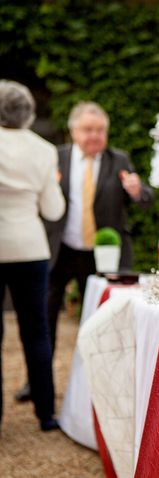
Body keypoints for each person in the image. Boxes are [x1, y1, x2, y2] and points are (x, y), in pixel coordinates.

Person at [15, 101, 154, 402]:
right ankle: (37, 384)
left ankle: (98, 390)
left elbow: (144, 199)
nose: (95, 136)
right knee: (43, 319)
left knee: (102, 322)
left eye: (100, 130)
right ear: (73, 131)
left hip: (102, 256)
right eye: (88, 130)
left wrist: (136, 191)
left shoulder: (119, 160)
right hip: (60, 251)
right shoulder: (57, 158)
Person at [0, 80, 65, 431]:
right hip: (30, 247)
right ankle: (45, 414)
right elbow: (53, 211)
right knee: (37, 331)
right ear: (28, 112)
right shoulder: (43, 149)